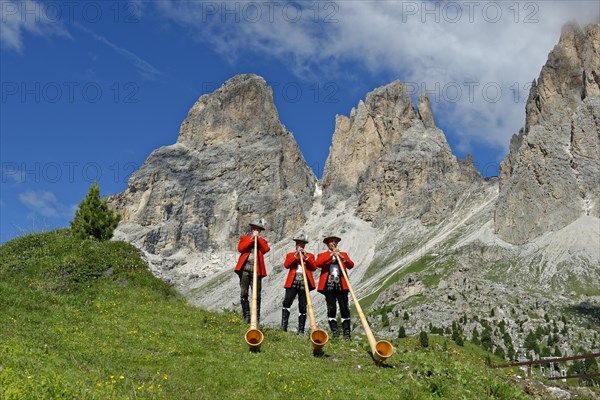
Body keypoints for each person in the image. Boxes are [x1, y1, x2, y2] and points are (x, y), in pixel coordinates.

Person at [316, 234, 355, 341]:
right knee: (331, 308)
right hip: (328, 284)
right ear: (327, 244)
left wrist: (341, 257)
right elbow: (317, 263)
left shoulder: (343, 254)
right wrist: (331, 255)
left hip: (341, 284)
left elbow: (351, 265)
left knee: (345, 308)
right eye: (331, 241)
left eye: (335, 241)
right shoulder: (322, 255)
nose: (334, 243)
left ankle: (347, 335)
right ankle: (335, 333)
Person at [234, 219, 270, 324]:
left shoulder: (262, 241)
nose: (256, 231)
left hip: (256, 270)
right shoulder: (244, 238)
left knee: (257, 295)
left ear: (260, 231)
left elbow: (266, 249)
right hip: (245, 268)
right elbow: (241, 248)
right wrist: (251, 239)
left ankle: (256, 318)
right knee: (244, 292)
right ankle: (246, 316)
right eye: (254, 229)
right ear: (252, 229)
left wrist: (257, 239)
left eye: (258, 229)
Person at [281, 234, 317, 334]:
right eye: (298, 244)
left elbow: (314, 267)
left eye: (302, 244)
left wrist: (306, 257)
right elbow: (287, 265)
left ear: (305, 246)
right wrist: (296, 255)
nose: (300, 246)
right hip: (293, 281)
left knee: (303, 305)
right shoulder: (291, 255)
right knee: (287, 302)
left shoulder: (310, 256)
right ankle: (283, 327)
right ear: (296, 245)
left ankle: (301, 330)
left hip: (305, 282)